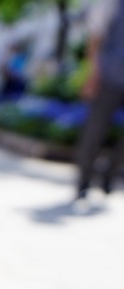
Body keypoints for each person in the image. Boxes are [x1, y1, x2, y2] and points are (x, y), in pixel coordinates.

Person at [75, 0, 124, 199]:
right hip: (108, 75)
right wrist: (92, 74)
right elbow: (96, 37)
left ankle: (109, 176)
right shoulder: (112, 4)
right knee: (94, 131)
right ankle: (83, 181)